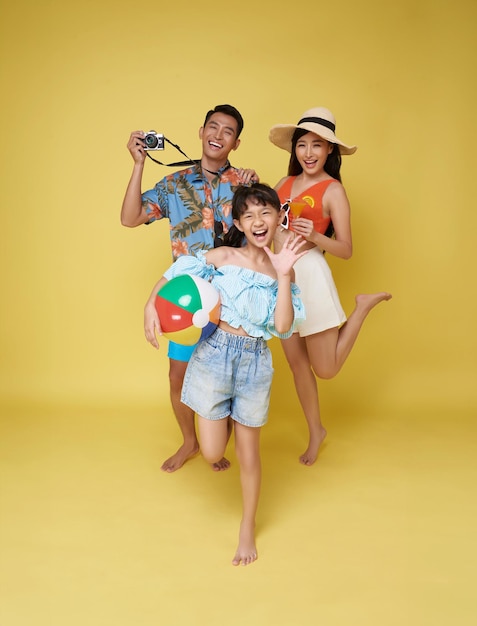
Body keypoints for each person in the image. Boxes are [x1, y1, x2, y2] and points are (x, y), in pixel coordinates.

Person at [144, 184, 307, 565]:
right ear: (238, 223)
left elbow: (283, 327)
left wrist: (284, 276)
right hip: (214, 355)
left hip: (255, 363)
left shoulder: (284, 267)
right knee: (214, 451)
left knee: (249, 453)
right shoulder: (222, 255)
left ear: (277, 216)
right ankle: (218, 428)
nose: (257, 221)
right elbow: (176, 275)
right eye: (248, 215)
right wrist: (151, 305)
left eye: (264, 212)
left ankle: (247, 526)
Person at [121, 104, 258, 473]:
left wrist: (257, 186)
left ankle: (219, 443)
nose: (218, 134)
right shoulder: (174, 184)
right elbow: (130, 218)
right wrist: (139, 165)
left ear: (236, 142)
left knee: (228, 377)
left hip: (233, 296)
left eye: (227, 131)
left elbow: (266, 229)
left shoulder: (245, 183)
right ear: (200, 132)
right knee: (177, 375)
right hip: (187, 297)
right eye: (212, 127)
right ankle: (190, 442)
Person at [269, 107, 392, 466]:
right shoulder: (283, 183)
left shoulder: (334, 190)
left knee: (326, 369)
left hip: (311, 275)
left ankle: (362, 307)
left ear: (330, 152)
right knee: (296, 365)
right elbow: (264, 222)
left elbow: (347, 250)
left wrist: (319, 236)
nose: (308, 153)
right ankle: (315, 431)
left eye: (317, 145)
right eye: (302, 145)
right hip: (283, 278)